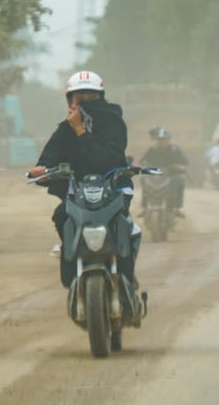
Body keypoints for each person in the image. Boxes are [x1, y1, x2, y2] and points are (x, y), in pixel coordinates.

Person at [27, 70, 141, 289]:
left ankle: (128, 277)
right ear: (70, 100)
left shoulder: (114, 123)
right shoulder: (65, 129)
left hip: (113, 189)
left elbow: (105, 159)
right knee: (62, 215)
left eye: (90, 96)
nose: (84, 102)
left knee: (122, 223)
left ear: (100, 97)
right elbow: (50, 155)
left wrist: (80, 129)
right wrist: (41, 170)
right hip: (79, 193)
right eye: (78, 97)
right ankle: (70, 255)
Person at [140, 126, 189, 217]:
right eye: (160, 139)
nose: (162, 141)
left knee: (180, 179)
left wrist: (180, 166)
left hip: (172, 175)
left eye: (164, 139)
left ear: (168, 140)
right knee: (144, 180)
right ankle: (145, 207)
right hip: (156, 175)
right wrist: (144, 166)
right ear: (157, 140)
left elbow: (185, 161)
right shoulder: (153, 149)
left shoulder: (175, 149)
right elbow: (143, 161)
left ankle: (177, 208)